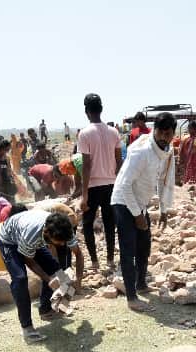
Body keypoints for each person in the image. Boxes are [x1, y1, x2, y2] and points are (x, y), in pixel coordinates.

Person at [111, 112, 176, 312]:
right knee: (128, 249)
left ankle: (141, 283)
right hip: (123, 203)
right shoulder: (141, 152)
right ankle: (131, 296)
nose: (165, 137)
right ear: (155, 130)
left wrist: (164, 208)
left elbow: (164, 180)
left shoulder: (166, 151)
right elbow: (124, 186)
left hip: (140, 204)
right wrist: (137, 216)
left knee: (144, 245)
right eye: (162, 133)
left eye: (169, 133)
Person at [0, 210, 84, 343]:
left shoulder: (65, 230)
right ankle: (27, 328)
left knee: (58, 272)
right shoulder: (31, 234)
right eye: (59, 241)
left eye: (63, 241)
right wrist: (49, 280)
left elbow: (78, 254)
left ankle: (46, 310)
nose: (62, 244)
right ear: (47, 233)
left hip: (29, 237)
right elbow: (29, 260)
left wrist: (78, 281)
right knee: (20, 278)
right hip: (9, 240)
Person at [77, 93, 124, 270]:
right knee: (109, 223)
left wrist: (84, 195)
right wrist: (116, 180)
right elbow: (119, 161)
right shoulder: (114, 131)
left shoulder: (85, 133)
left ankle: (95, 262)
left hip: (93, 186)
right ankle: (110, 260)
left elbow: (86, 166)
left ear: (86, 111)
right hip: (111, 185)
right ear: (101, 109)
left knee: (88, 224)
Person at [179, 121, 196, 186]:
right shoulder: (186, 138)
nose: (189, 130)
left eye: (190, 128)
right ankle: (188, 186)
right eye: (188, 128)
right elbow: (182, 150)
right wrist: (181, 159)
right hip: (188, 160)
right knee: (188, 173)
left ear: (194, 129)